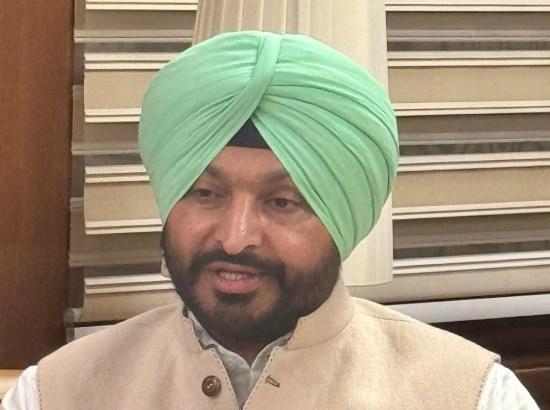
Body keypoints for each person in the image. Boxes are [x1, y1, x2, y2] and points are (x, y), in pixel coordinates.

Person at [2, 31, 538, 410]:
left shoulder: (475, 396)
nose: (235, 238)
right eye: (205, 193)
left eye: (282, 202)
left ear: (343, 219)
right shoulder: (53, 394)